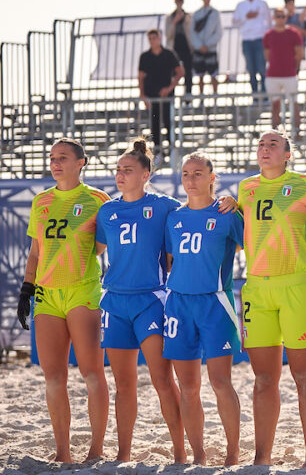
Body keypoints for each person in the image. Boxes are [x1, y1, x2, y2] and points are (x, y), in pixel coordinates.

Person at [237, 130, 306, 467]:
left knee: (305, 375)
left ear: (288, 154)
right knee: (263, 379)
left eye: (273, 144)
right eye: (261, 144)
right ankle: (262, 458)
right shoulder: (246, 188)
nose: (265, 148)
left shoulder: (305, 184)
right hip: (257, 289)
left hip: (297, 287)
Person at [18, 139, 109, 463]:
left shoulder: (98, 200)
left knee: (91, 373)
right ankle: (62, 451)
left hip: (82, 292)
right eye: (52, 158)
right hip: (47, 295)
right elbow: (36, 251)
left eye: (63, 158)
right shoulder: (41, 202)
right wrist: (27, 288)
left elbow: (101, 249)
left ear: (81, 162)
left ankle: (96, 450)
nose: (55, 163)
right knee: (53, 376)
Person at [94, 138, 185, 462]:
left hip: (151, 300)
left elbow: (194, 219)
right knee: (123, 385)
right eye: (118, 170)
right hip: (116, 303)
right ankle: (123, 453)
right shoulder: (107, 211)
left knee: (162, 380)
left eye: (128, 170)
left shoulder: (164, 206)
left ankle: (179, 452)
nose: (120, 175)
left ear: (146, 174)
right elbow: (96, 252)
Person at [163, 153, 243, 466]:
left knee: (220, 382)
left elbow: (252, 242)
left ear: (212, 177)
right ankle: (198, 454)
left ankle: (233, 451)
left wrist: (236, 203)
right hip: (179, 304)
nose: (191, 179)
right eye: (186, 173)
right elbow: (170, 261)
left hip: (215, 303)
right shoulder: (174, 217)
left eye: (198, 173)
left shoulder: (226, 213)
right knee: (188, 387)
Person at [137, 29, 184, 155]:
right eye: (150, 39)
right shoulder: (145, 56)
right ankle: (158, 152)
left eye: (154, 38)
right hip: (151, 97)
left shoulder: (169, 54)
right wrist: (143, 95)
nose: (152, 41)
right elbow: (141, 77)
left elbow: (180, 72)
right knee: (154, 124)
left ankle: (172, 151)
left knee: (169, 122)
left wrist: (169, 88)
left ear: (160, 38)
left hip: (166, 97)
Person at [262, 8, 304, 132]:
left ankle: (297, 132)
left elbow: (299, 54)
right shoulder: (268, 35)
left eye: (282, 16)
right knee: (275, 106)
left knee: (294, 104)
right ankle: (275, 136)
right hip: (273, 75)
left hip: (290, 75)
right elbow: (267, 55)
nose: (280, 18)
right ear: (274, 17)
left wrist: (293, 69)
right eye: (278, 16)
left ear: (286, 18)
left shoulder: (294, 33)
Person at [233, 0, 271, 97]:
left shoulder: (262, 4)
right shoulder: (241, 5)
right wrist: (246, 17)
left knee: (262, 68)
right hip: (247, 40)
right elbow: (235, 22)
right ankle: (255, 95)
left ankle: (264, 95)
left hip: (260, 39)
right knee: (251, 69)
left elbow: (269, 22)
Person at [189, 0, 223, 96]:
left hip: (211, 49)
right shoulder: (196, 14)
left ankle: (215, 96)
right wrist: (199, 46)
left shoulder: (215, 13)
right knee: (200, 75)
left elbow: (219, 32)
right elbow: (192, 32)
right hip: (199, 50)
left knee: (213, 74)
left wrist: (208, 44)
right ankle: (201, 98)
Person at [164, 0, 193, 97]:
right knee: (172, 73)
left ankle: (188, 96)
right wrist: (175, 22)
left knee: (188, 73)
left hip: (186, 48)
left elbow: (191, 32)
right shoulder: (169, 18)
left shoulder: (188, 17)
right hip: (174, 49)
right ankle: (171, 96)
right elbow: (168, 34)